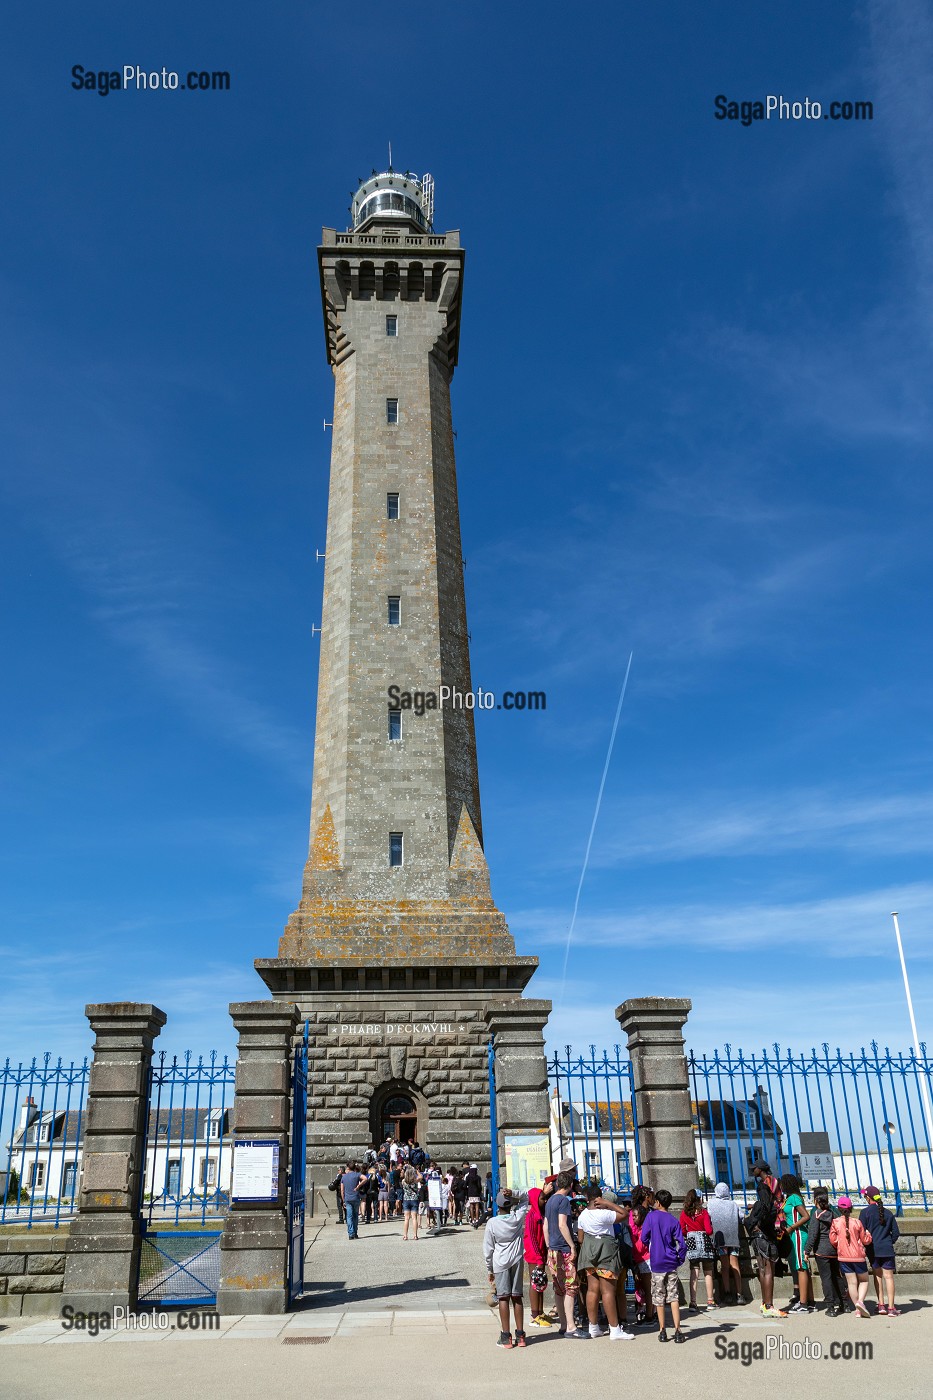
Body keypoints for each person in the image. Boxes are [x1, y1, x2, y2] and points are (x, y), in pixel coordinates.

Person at [576, 1185, 635, 1340]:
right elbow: (624, 1215)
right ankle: (615, 1329)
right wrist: (608, 1204)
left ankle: (593, 1326)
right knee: (608, 1291)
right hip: (605, 1254)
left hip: (589, 1254)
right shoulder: (605, 1214)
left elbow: (580, 1238)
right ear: (598, 1198)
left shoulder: (583, 1216)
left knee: (592, 1290)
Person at [484, 1188, 532, 1348]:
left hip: (500, 1261)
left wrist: (489, 1269)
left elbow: (488, 1248)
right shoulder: (517, 1217)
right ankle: (521, 1335)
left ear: (497, 1205)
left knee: (503, 1297)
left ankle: (506, 1336)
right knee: (517, 1296)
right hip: (517, 1259)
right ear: (510, 1203)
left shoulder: (492, 1223)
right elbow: (526, 1198)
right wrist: (513, 1193)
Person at [641, 1188, 688, 1343]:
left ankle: (662, 1330)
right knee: (673, 1296)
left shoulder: (651, 1217)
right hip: (670, 1261)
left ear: (658, 1202)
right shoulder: (673, 1220)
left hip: (656, 1262)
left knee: (658, 1297)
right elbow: (681, 1244)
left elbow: (643, 1238)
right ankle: (678, 1330)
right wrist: (679, 1259)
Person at [544, 1170, 587, 1338]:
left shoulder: (549, 1201)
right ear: (569, 1185)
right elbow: (563, 1225)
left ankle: (563, 1324)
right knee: (570, 1287)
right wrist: (572, 1246)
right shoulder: (563, 1201)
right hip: (563, 1249)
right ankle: (571, 1326)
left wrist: (549, 1246)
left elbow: (545, 1226)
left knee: (558, 1288)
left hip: (553, 1250)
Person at [744, 1159, 787, 1318]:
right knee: (768, 1269)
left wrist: (756, 1220)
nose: (752, 1170)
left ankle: (765, 1304)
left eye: (753, 1168)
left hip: (761, 1232)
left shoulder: (763, 1185)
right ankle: (768, 1305)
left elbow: (766, 1206)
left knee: (764, 1269)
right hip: (768, 1232)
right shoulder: (775, 1183)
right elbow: (771, 1205)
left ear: (760, 1169)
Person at [860, 1186, 901, 1317]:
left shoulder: (865, 1212)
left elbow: (861, 1232)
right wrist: (889, 1242)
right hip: (887, 1249)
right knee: (889, 1277)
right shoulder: (888, 1213)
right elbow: (896, 1233)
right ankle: (891, 1307)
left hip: (873, 1249)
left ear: (868, 1197)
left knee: (877, 1276)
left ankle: (881, 1305)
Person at [805, 1188, 846, 1316]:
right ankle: (844, 1304)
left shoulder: (816, 1214)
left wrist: (807, 1250)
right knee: (838, 1276)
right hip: (834, 1249)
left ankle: (830, 1306)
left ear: (816, 1200)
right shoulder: (833, 1214)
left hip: (822, 1251)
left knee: (826, 1278)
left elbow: (813, 1235)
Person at [829, 1196, 873, 1318]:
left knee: (851, 1283)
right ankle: (860, 1302)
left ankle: (857, 1309)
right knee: (864, 1280)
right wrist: (869, 1236)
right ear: (851, 1208)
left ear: (838, 1208)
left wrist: (840, 1243)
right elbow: (865, 1240)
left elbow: (833, 1240)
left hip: (843, 1257)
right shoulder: (857, 1222)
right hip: (858, 1256)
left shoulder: (835, 1222)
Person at [680, 1189, 715, 1310]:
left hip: (692, 1242)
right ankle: (710, 1301)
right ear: (699, 1199)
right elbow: (709, 1230)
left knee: (694, 1273)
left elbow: (682, 1229)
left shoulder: (685, 1213)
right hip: (704, 1243)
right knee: (708, 1272)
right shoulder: (703, 1212)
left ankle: (693, 1302)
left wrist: (689, 1233)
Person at [523, 1183, 553, 1328]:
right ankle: (535, 1315)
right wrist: (539, 1258)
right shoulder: (532, 1216)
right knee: (535, 1283)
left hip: (540, 1254)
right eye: (542, 1198)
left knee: (540, 1283)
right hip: (534, 1256)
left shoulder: (539, 1214)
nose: (545, 1201)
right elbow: (532, 1239)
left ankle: (540, 1312)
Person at [780, 1173, 812, 1312]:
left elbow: (806, 1216)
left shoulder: (794, 1198)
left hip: (798, 1234)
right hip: (792, 1235)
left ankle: (803, 1304)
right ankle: (807, 1300)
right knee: (798, 1267)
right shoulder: (789, 1198)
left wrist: (791, 1227)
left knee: (801, 1267)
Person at [707, 1182, 742, 1305]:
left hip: (720, 1239)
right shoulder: (734, 1204)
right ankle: (739, 1294)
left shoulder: (711, 1203)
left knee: (725, 1266)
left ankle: (727, 1293)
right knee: (735, 1266)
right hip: (734, 1239)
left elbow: (708, 1215)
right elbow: (741, 1217)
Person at [340, 1160, 366, 1240]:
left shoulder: (344, 1177)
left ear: (348, 1167)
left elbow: (342, 1190)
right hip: (356, 1197)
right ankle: (355, 1232)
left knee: (349, 1216)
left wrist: (343, 1200)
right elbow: (365, 1178)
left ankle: (351, 1233)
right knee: (355, 1216)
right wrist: (358, 1186)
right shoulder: (357, 1174)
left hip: (347, 1198)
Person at [401, 1164, 422, 1241]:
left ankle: (405, 1235)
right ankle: (415, 1235)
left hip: (406, 1199)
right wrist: (416, 1171)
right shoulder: (415, 1181)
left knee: (406, 1218)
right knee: (414, 1218)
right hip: (414, 1199)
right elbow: (421, 1177)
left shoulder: (403, 1181)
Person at [464, 1163, 483, 1227]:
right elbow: (479, 1186)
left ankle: (472, 1220)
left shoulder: (468, 1177)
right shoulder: (478, 1177)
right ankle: (477, 1219)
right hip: (476, 1193)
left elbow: (465, 1185)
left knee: (471, 1206)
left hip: (470, 1193)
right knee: (477, 1206)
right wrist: (479, 1191)